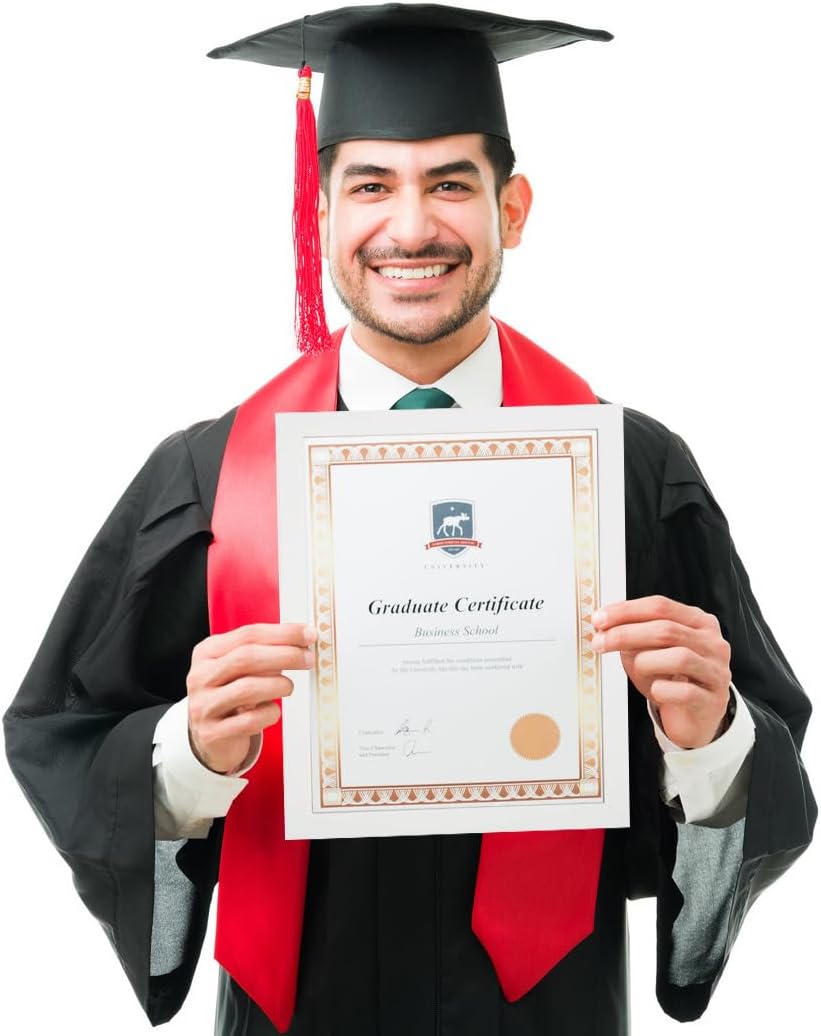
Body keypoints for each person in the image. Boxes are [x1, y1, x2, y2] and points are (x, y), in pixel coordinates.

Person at [3, 5, 815, 1036]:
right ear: (320, 213)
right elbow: (64, 735)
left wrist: (711, 742)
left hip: (550, 1012)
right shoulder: (208, 476)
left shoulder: (627, 468)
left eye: (450, 184)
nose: (411, 228)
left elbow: (758, 764)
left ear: (512, 208)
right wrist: (188, 755)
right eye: (371, 186)